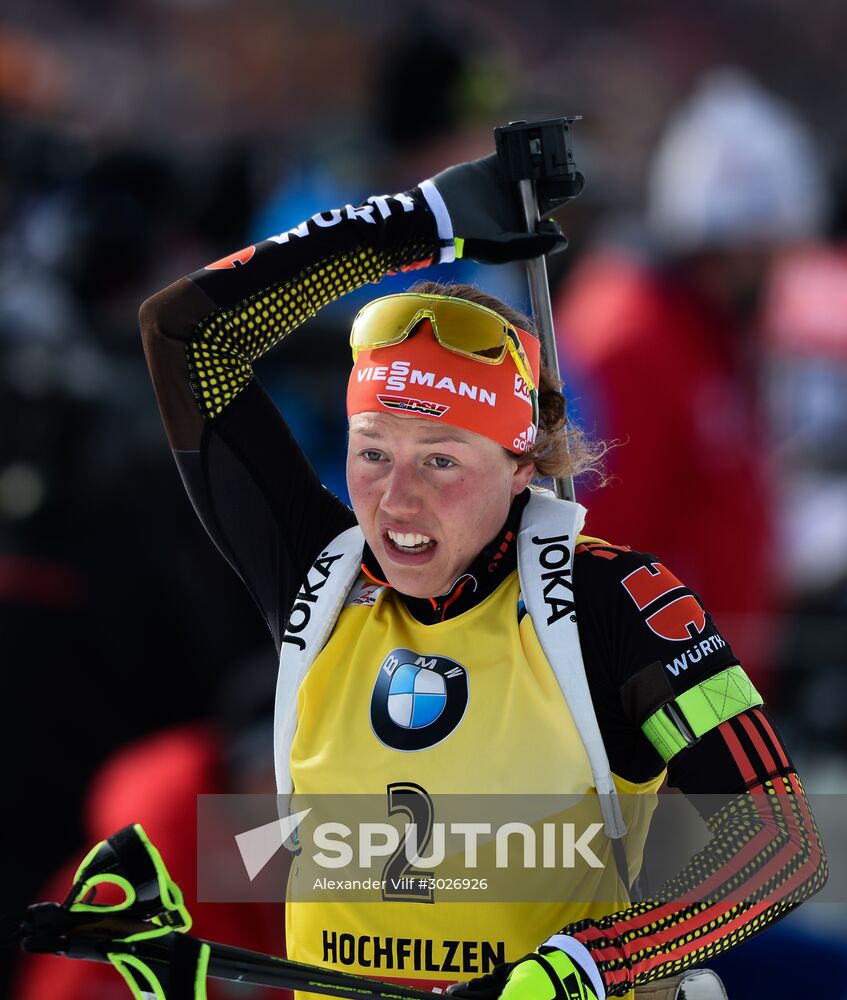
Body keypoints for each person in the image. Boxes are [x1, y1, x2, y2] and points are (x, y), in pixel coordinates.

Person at [139, 152, 826, 1000]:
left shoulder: (617, 603)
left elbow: (778, 843)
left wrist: (584, 969)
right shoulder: (318, 571)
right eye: (371, 454)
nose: (395, 500)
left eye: (440, 461)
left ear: (519, 464)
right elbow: (186, 336)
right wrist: (423, 220)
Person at [552, 69, 829, 700]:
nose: (778, 274)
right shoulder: (629, 341)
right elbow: (598, 550)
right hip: (663, 713)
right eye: (768, 253)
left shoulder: (707, 329)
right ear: (728, 245)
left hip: (713, 699)